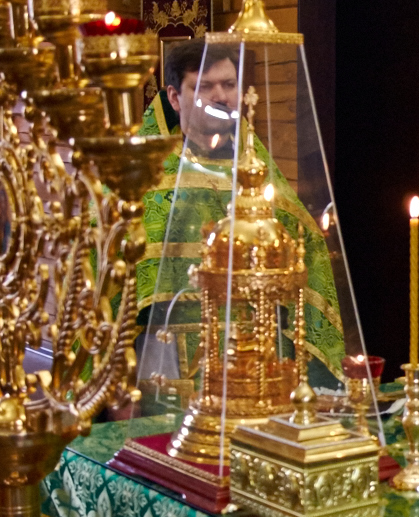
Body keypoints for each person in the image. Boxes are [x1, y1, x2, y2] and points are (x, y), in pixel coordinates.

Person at [135, 38, 344, 387]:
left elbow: (309, 253)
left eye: (229, 85)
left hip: (258, 358)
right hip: (168, 358)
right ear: (174, 97)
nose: (220, 96)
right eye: (204, 86)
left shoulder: (259, 175)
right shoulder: (146, 179)